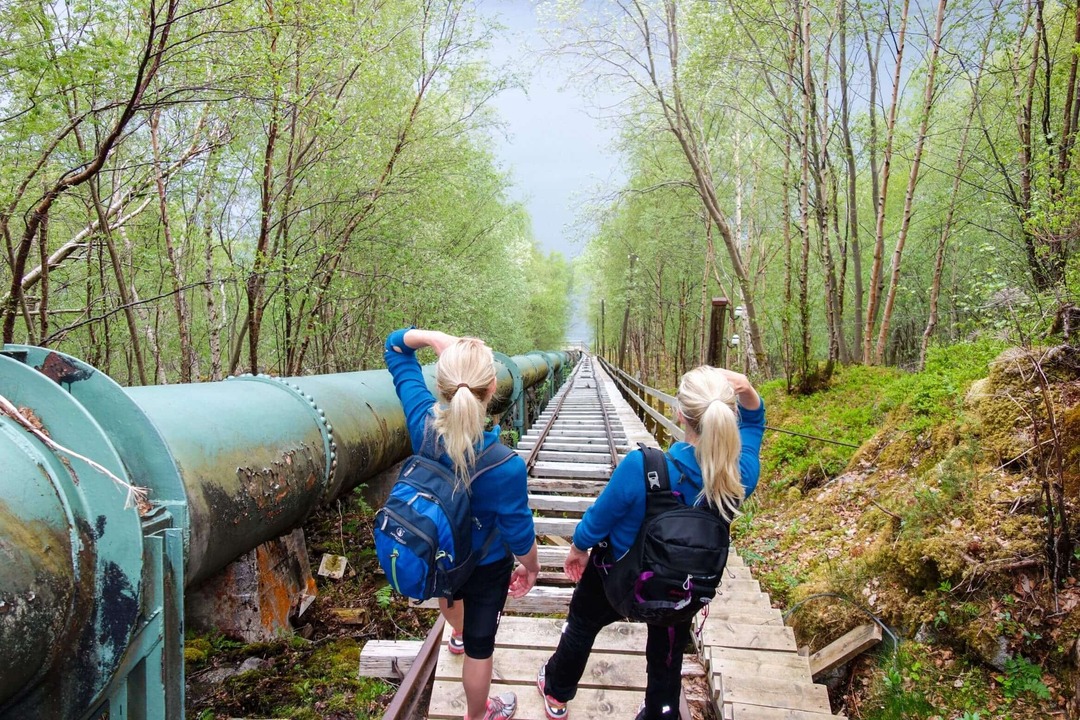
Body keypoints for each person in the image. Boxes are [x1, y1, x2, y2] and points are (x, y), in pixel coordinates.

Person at [536, 365, 765, 720]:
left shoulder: (641, 466)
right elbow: (753, 427)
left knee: (582, 622)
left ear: (679, 413)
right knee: (668, 654)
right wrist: (748, 390)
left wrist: (579, 548)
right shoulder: (737, 478)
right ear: (727, 414)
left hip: (618, 579)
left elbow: (599, 518)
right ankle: (661, 711)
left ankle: (556, 693)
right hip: (681, 589)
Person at [385, 327, 541, 720]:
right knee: (480, 647)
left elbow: (395, 349)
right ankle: (477, 714)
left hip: (440, 552)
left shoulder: (422, 423)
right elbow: (519, 533)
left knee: (450, 594)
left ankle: (454, 633)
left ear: (440, 385)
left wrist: (435, 339)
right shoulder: (506, 465)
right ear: (492, 388)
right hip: (487, 565)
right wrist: (531, 567)